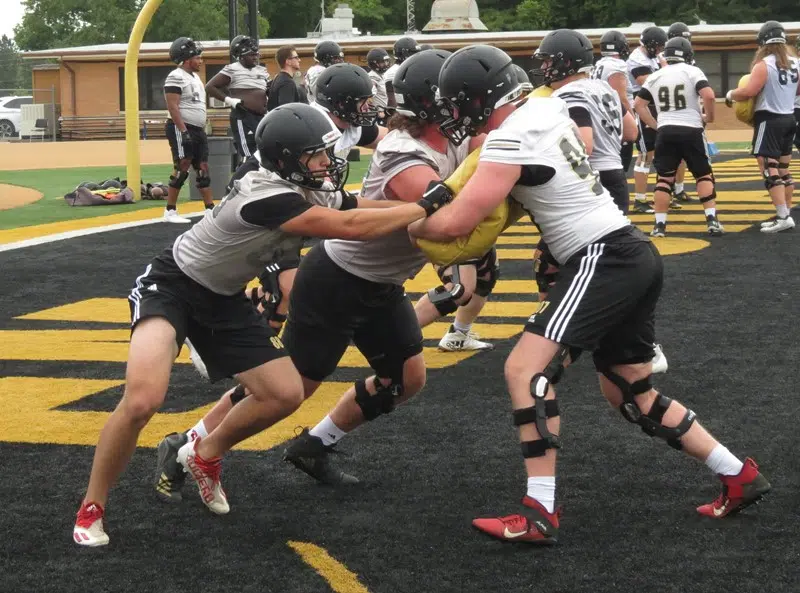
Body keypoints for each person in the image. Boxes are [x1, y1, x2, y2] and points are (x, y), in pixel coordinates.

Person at [410, 44, 770, 545]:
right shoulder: (546, 107)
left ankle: (539, 512)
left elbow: (456, 224)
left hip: (602, 255)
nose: (454, 114)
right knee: (629, 390)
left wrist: (404, 223)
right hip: (629, 251)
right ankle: (738, 474)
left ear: (476, 97)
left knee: (524, 370)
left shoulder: (511, 135)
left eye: (457, 103)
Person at [72, 103, 453, 547]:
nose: (327, 163)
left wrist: (416, 207)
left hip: (222, 298)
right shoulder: (267, 194)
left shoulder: (302, 185)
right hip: (173, 287)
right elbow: (352, 226)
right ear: (288, 159)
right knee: (143, 400)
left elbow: (361, 206)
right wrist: (424, 205)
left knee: (285, 392)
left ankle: (204, 455)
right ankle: (92, 505)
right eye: (316, 155)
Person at [635, 37, 724, 237]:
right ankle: (712, 220)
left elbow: (638, 104)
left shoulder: (655, 75)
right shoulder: (692, 71)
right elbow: (709, 95)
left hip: (666, 131)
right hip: (691, 129)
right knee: (703, 175)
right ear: (688, 54)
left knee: (664, 179)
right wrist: (708, 117)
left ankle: (659, 225)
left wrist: (656, 125)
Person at [726, 20, 799, 233]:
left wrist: (730, 95)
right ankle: (785, 214)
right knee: (784, 169)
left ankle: (783, 216)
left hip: (769, 119)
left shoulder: (764, 64)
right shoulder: (796, 62)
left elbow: (749, 91)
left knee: (769, 167)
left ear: (763, 43)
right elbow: (798, 91)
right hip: (789, 118)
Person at [162, 37, 215, 223]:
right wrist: (183, 131)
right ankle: (170, 210)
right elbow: (173, 106)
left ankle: (209, 209)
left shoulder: (195, 77)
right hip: (181, 127)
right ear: (186, 59)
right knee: (183, 164)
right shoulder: (175, 76)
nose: (200, 60)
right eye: (197, 57)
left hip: (197, 128)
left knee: (202, 166)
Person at [206, 35, 269, 164]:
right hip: (244, 116)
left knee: (262, 153)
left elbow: (268, 89)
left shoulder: (261, 70)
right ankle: (239, 182)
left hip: (262, 116)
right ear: (241, 56)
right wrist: (230, 100)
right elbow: (210, 87)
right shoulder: (232, 69)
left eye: (257, 54)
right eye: (251, 55)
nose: (255, 57)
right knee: (248, 154)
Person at [627, 26, 669, 214]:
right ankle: (640, 200)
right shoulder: (637, 58)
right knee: (645, 154)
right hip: (641, 107)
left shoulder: (652, 57)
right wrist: (667, 71)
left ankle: (663, 193)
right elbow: (645, 81)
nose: (660, 50)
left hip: (653, 106)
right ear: (651, 45)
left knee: (660, 153)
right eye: (659, 46)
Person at [665, 22, 699, 204]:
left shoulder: (689, 61)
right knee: (669, 157)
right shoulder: (664, 61)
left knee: (682, 156)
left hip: (687, 111)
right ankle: (667, 191)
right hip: (670, 112)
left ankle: (678, 189)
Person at [592, 30, 635, 174]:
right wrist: (632, 119)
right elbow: (621, 98)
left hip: (599, 118)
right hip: (614, 120)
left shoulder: (598, 64)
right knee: (619, 168)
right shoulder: (617, 65)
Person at [384, 36, 421, 112]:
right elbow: (392, 98)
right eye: (413, 53)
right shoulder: (394, 71)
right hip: (401, 111)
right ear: (403, 53)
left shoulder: (407, 68)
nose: (417, 56)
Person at [267, 45, 306, 110]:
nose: (299, 60)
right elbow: (286, 110)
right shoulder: (287, 82)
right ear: (288, 61)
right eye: (296, 57)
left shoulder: (279, 78)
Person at [367, 47, 393, 125]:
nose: (386, 64)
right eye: (382, 62)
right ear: (374, 64)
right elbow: (368, 97)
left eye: (386, 61)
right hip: (377, 116)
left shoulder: (380, 76)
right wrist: (377, 111)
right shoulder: (373, 78)